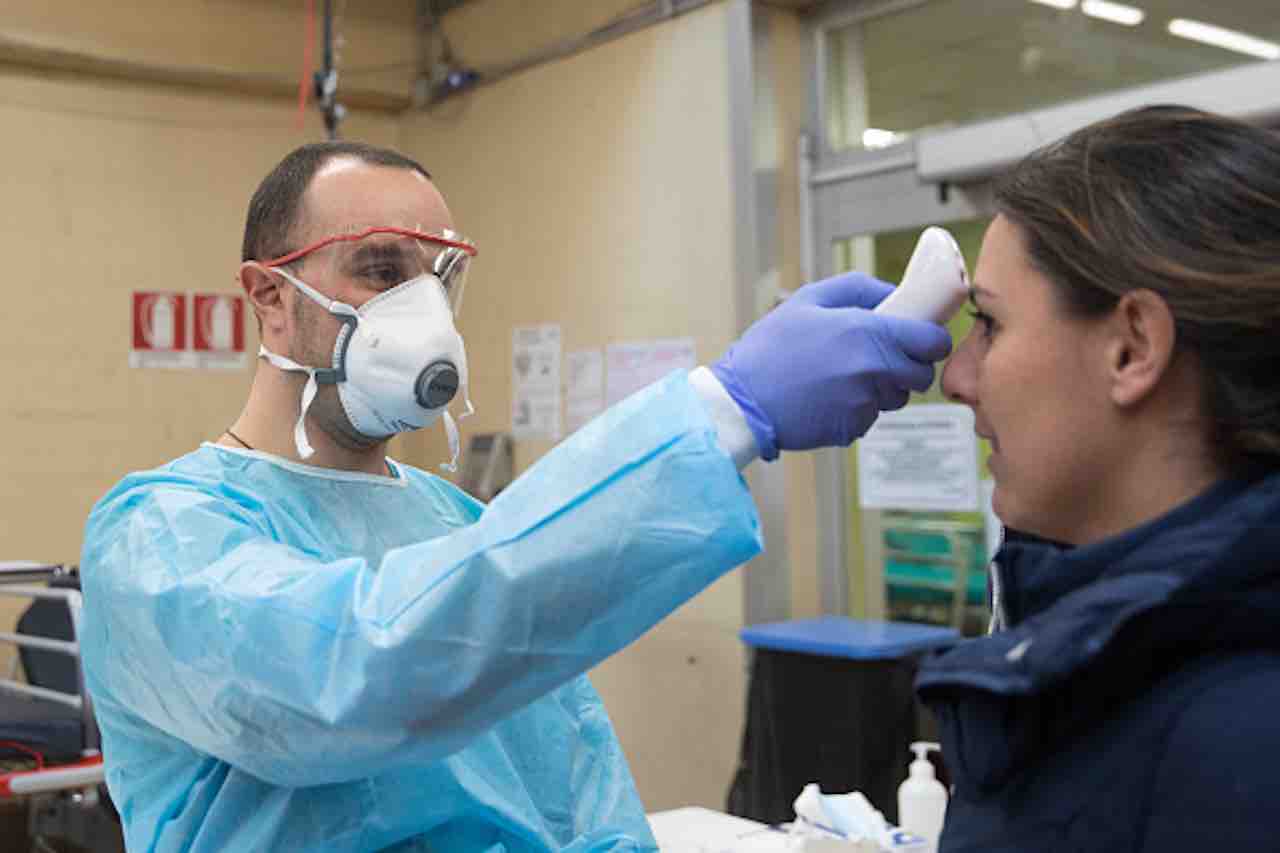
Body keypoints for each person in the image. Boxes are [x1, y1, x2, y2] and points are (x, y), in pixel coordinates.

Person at [79, 141, 951, 852]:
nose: (422, 310)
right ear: (270, 297)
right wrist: (721, 413)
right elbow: (351, 674)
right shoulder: (157, 535)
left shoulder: (455, 521)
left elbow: (579, 794)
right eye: (380, 269)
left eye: (439, 277)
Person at [916, 105, 1280, 852]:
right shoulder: (1116, 667)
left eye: (989, 324)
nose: (955, 376)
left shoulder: (1241, 746)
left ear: (1131, 348)